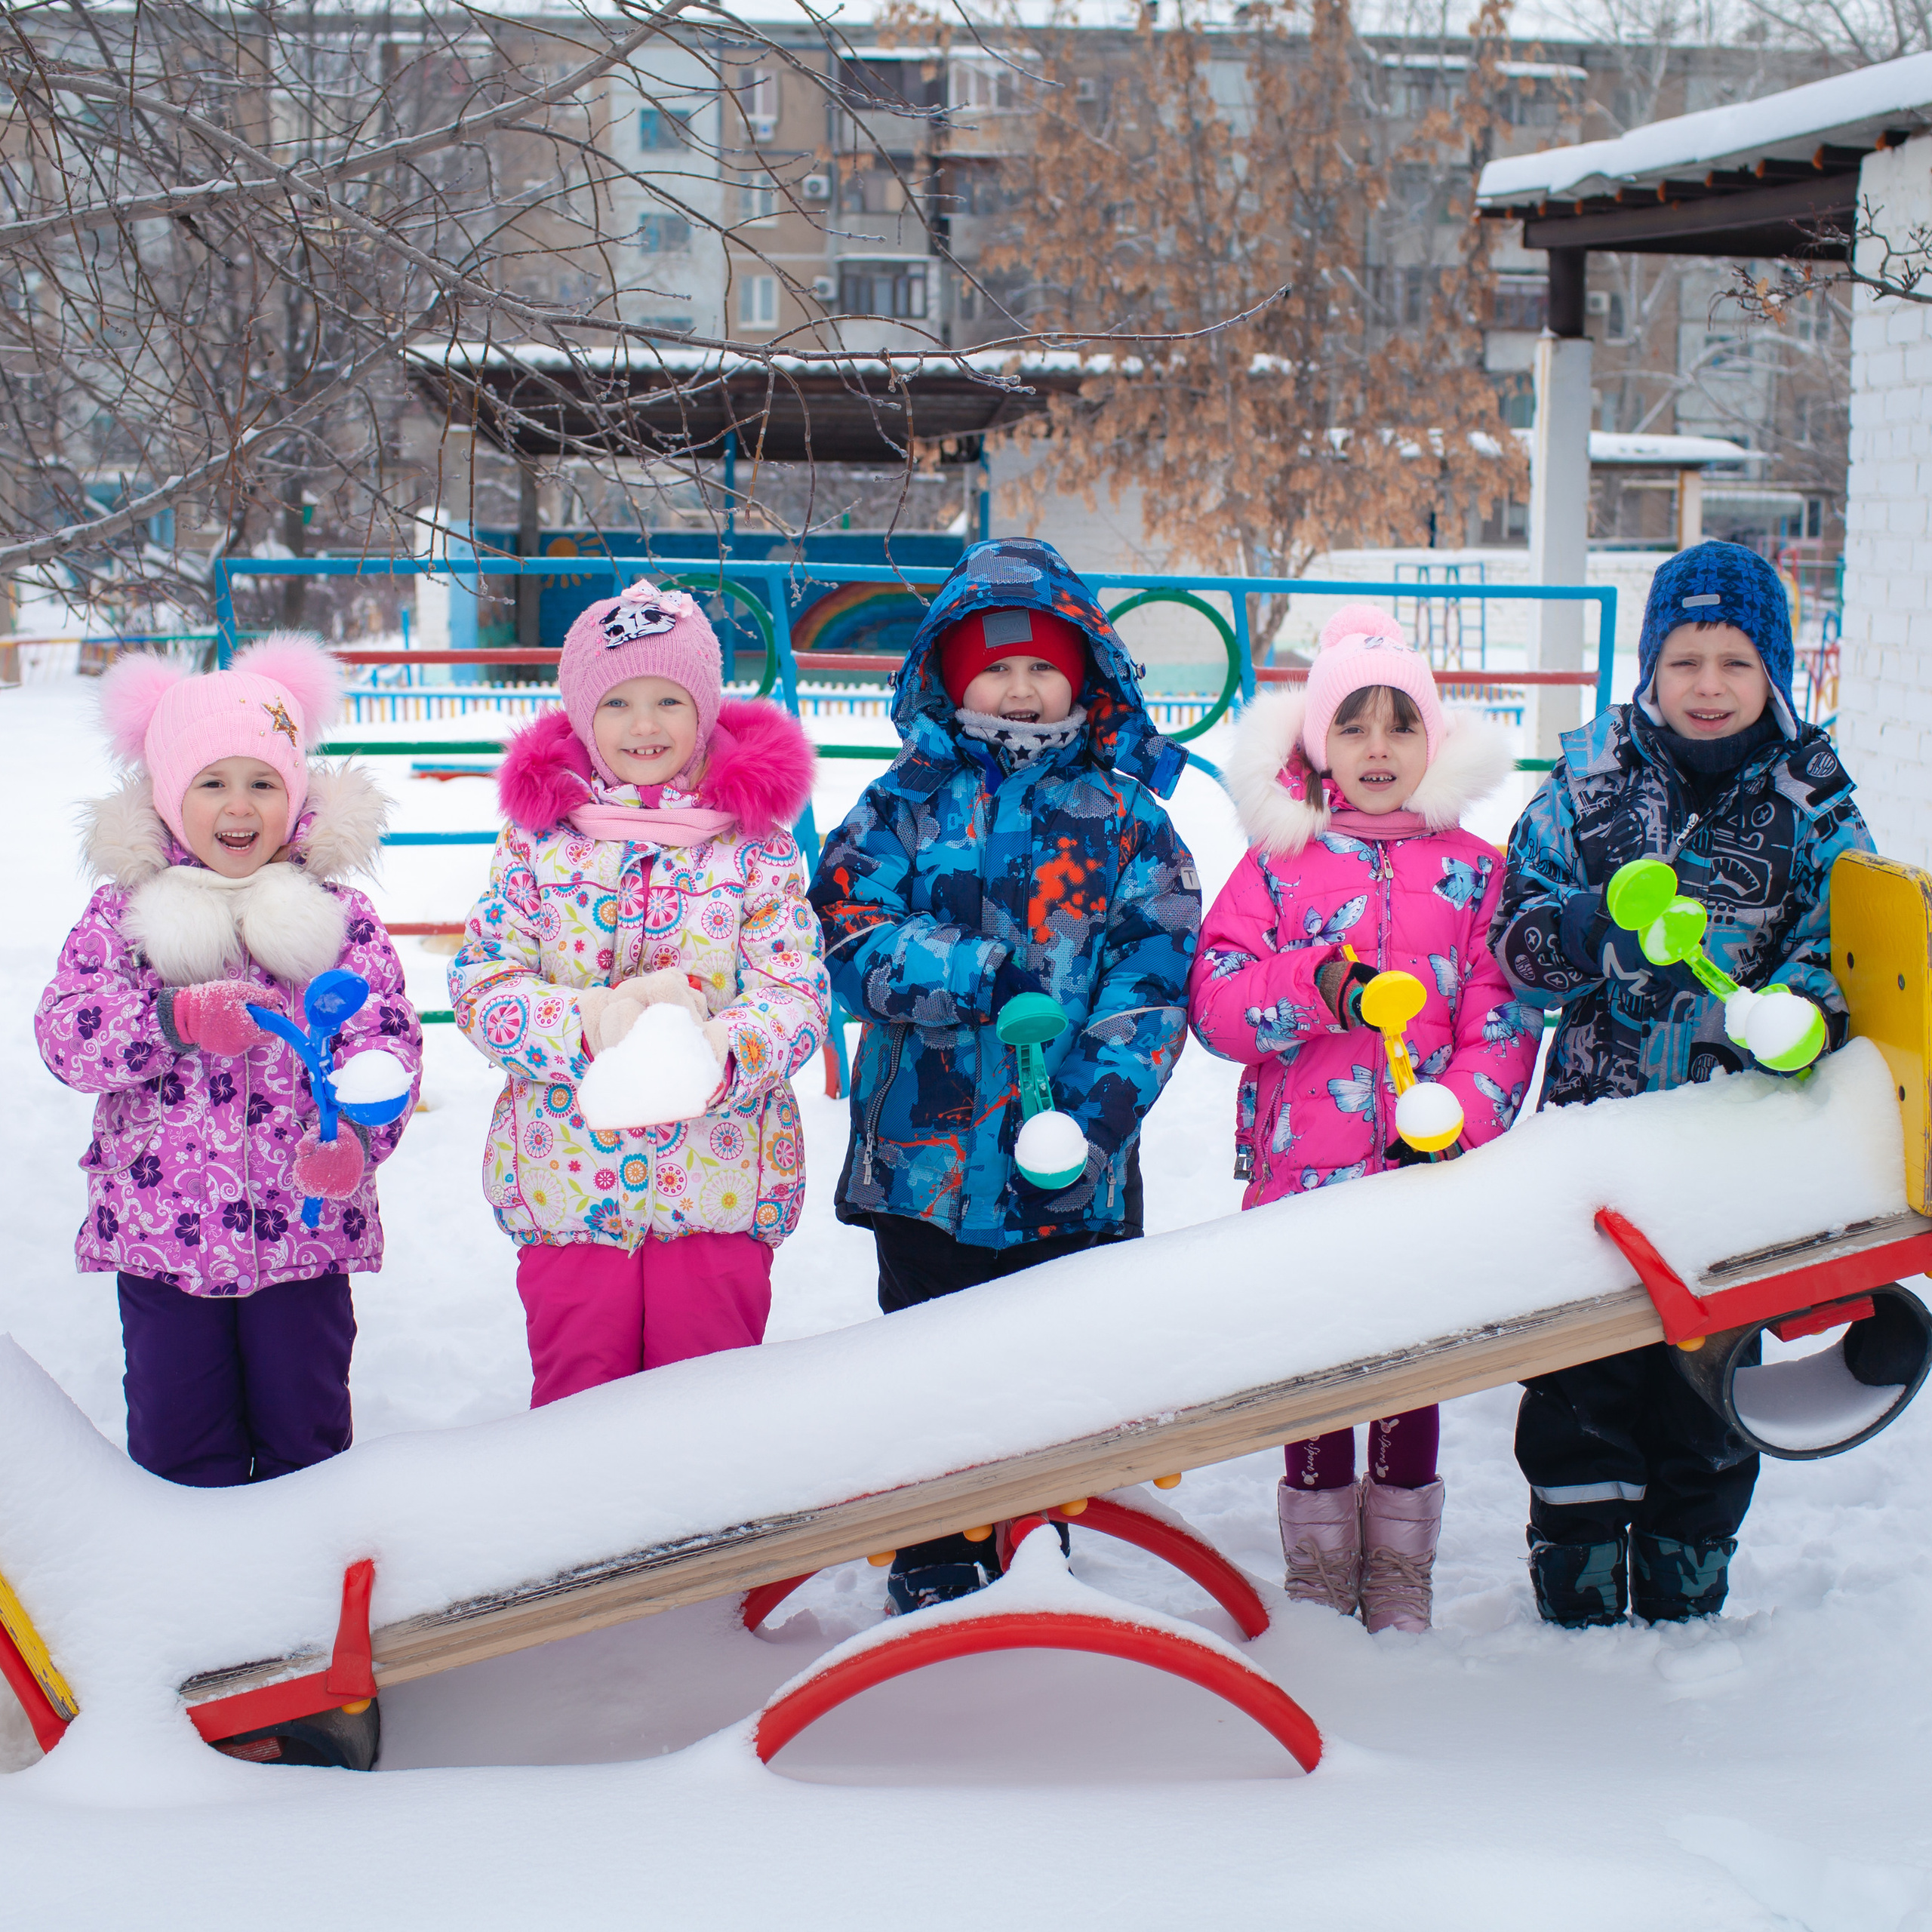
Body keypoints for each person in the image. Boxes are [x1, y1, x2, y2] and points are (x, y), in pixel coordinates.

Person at [809, 537, 1201, 1614]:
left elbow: (1153, 977)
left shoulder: (1129, 821)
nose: (1021, 687)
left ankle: (1038, 1532)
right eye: (995, 665)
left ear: (1084, 674)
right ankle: (930, 1543)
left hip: (1067, 1163)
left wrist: (1090, 1118)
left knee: (1050, 1365)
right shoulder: (898, 806)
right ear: (948, 671)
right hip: (922, 1160)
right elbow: (849, 930)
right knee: (927, 1361)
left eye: (1043, 666)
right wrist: (979, 971)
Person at [1492, 540, 1873, 1628]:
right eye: (1685, 661)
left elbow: (1844, 935)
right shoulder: (1587, 786)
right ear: (1649, 669)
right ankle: (1574, 1578)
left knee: (1707, 1383)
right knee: (1579, 1377)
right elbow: (1512, 950)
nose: (1708, 687)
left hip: (1733, 1150)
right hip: (1598, 1148)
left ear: (1776, 677)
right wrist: (1583, 931)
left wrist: (1802, 1012)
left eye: (1736, 663)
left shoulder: (1815, 802)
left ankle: (1683, 1581)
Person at [1189, 605, 1538, 1632]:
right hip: (1304, 1168)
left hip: (1424, 1168)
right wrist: (1314, 985)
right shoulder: (1276, 867)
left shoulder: (1475, 871)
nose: (1377, 749)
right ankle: (1318, 1550)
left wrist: (1459, 1117)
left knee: (1408, 1360)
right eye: (1353, 726)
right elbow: (1217, 1003)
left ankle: (1396, 1558)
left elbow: (1504, 1015)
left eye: (1399, 726)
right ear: (1315, 746)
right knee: (1313, 1360)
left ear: (1433, 742)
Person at [35, 634, 420, 1487]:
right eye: (211, 782)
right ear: (172, 797)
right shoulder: (127, 915)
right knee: (179, 1447)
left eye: (262, 782)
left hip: (303, 1237)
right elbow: (66, 1033)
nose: (237, 807)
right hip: (164, 1238)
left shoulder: (337, 917)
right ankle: (198, 1600)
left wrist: (357, 1139)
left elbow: (384, 1045)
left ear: (295, 793)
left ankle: (302, 1597)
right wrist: (169, 1019)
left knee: (306, 1442)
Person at [451, 580, 826, 1405]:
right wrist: (584, 1024)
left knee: (707, 1405)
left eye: (668, 699)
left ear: (706, 709)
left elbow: (796, 990)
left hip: (718, 1188)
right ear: (584, 714)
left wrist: (721, 1049)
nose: (645, 725)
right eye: (618, 702)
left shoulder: (753, 844)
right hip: (570, 1185)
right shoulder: (539, 840)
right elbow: (482, 979)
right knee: (580, 1403)